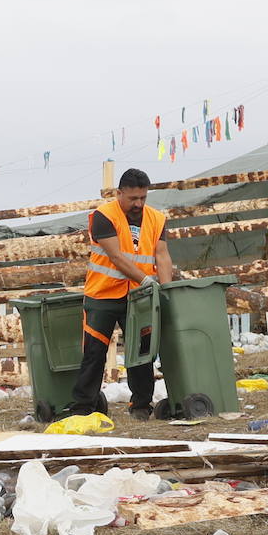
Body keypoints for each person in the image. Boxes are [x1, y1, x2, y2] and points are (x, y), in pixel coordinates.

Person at [72, 168, 173, 421]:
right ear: (119, 194)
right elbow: (116, 257)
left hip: (138, 298)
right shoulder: (103, 216)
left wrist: (167, 291)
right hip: (103, 295)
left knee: (141, 353)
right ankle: (84, 407)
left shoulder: (157, 219)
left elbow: (162, 255)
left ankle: (141, 406)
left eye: (143, 198)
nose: (138, 203)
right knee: (94, 352)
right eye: (133, 198)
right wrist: (149, 282)